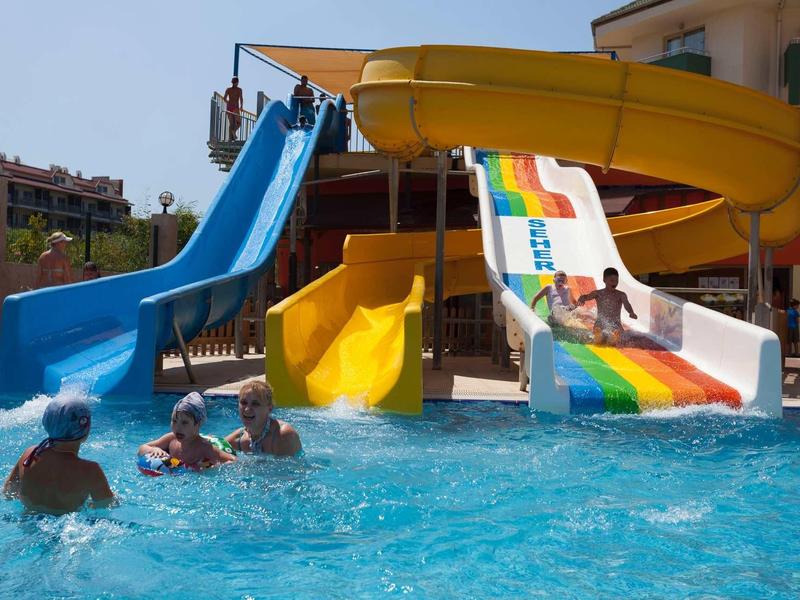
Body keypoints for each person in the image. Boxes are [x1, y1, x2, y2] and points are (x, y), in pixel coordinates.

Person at [3, 396, 115, 514]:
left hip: (26, 522)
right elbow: (106, 505)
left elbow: (8, 492)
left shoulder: (30, 454)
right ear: (85, 427)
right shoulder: (90, 470)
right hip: (66, 528)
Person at [138, 392, 236, 468]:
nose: (178, 427)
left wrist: (209, 467)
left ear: (198, 424)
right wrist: (154, 449)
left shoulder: (204, 447)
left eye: (185, 423)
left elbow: (232, 460)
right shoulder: (171, 439)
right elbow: (142, 448)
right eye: (174, 421)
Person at [225, 381, 302, 457]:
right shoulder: (239, 439)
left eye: (255, 404)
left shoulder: (283, 435)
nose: (247, 409)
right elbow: (216, 446)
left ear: (270, 408)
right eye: (244, 402)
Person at [577, 267, 638, 346]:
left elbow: (627, 304)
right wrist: (582, 298)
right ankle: (599, 335)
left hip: (615, 324)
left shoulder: (621, 295)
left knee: (617, 334)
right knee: (598, 332)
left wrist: (631, 312)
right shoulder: (598, 293)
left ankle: (613, 337)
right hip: (601, 323)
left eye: (616, 281)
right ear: (604, 280)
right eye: (612, 280)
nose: (614, 283)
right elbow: (586, 297)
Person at [223, 76, 244, 141]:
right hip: (235, 107)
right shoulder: (239, 90)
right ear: (237, 82)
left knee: (231, 124)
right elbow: (241, 98)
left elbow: (224, 98)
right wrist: (241, 106)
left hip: (229, 107)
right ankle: (234, 132)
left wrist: (228, 102)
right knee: (239, 123)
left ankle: (230, 139)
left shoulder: (228, 89)